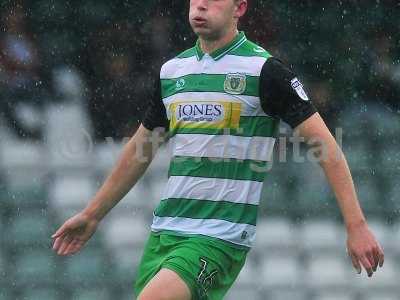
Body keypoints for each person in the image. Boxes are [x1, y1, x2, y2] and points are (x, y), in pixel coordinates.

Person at [51, 1, 385, 299]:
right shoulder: (173, 72)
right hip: (165, 232)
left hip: (219, 236)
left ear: (239, 8)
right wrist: (93, 213)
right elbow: (141, 148)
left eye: (212, 0)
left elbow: (325, 145)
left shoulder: (265, 71)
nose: (199, 6)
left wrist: (356, 226)